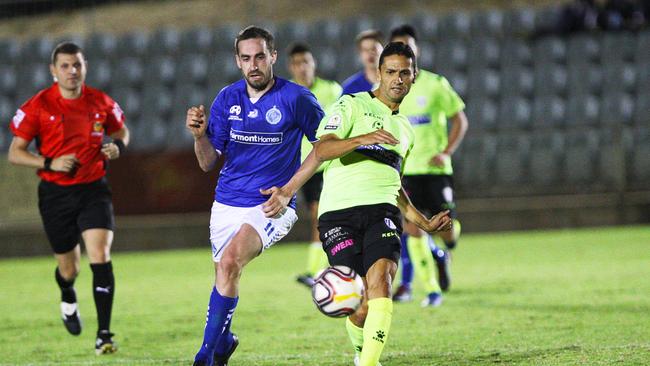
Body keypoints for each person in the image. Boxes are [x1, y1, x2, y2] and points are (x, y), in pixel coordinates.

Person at [263, 42, 452, 366]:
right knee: (358, 302)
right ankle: (360, 351)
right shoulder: (351, 104)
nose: (397, 79)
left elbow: (395, 186)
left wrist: (422, 221)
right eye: (390, 72)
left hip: (383, 213)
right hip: (339, 214)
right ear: (379, 73)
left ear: (414, 76)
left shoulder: (405, 130)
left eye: (404, 73)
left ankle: (368, 363)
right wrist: (362, 139)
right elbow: (323, 148)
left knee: (381, 283)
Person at [185, 26, 324, 366]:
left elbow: (325, 147)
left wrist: (288, 190)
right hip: (225, 204)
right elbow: (207, 163)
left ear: (273, 57)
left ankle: (204, 355)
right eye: (246, 58)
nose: (254, 65)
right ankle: (223, 343)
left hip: (271, 204)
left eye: (260, 56)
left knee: (230, 263)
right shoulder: (227, 98)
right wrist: (200, 136)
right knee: (225, 276)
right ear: (237, 61)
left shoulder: (297, 99)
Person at [7, 42, 128, 354]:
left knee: (100, 255)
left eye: (77, 65)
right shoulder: (39, 106)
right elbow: (15, 153)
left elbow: (122, 131)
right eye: (65, 66)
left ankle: (104, 334)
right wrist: (49, 162)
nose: (72, 71)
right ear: (53, 70)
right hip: (55, 194)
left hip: (93, 188)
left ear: (84, 66)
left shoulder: (100, 101)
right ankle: (67, 293)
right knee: (70, 268)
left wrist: (118, 146)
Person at [389, 25, 468, 305]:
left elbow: (460, 119)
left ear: (416, 50)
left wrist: (446, 151)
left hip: (435, 171)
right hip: (407, 171)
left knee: (446, 229)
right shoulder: (391, 91)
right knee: (412, 228)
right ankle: (432, 290)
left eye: (408, 45)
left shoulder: (436, 84)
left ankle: (443, 252)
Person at [286, 42, 343, 288]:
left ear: (313, 64)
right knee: (318, 217)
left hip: (328, 164)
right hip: (300, 167)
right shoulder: (285, 93)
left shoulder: (332, 90)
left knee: (321, 215)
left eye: (306, 62)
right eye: (297, 64)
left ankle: (315, 270)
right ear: (291, 67)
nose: (302, 68)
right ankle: (328, 266)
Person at [341, 30, 384, 95]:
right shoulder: (351, 88)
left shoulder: (396, 83)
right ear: (360, 54)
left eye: (373, 49)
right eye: (365, 50)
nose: (370, 53)